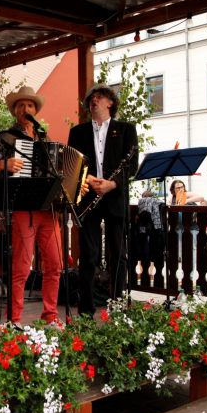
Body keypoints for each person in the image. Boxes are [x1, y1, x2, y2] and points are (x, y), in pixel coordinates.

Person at [0, 85, 62, 326]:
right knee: (22, 266)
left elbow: (59, 171)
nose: (25, 108)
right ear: (14, 111)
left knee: (55, 265)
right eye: (20, 105)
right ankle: (15, 320)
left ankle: (50, 316)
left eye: (30, 105)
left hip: (48, 210)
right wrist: (3, 164)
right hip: (23, 208)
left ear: (35, 110)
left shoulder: (45, 140)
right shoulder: (6, 138)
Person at [67, 84, 138, 316]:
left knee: (118, 255)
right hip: (88, 197)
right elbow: (72, 164)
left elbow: (131, 165)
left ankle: (117, 306)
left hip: (115, 196)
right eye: (91, 98)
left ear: (110, 103)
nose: (93, 101)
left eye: (99, 97)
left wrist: (112, 183)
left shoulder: (126, 129)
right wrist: (86, 180)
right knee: (88, 255)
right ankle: (86, 310)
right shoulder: (78, 132)